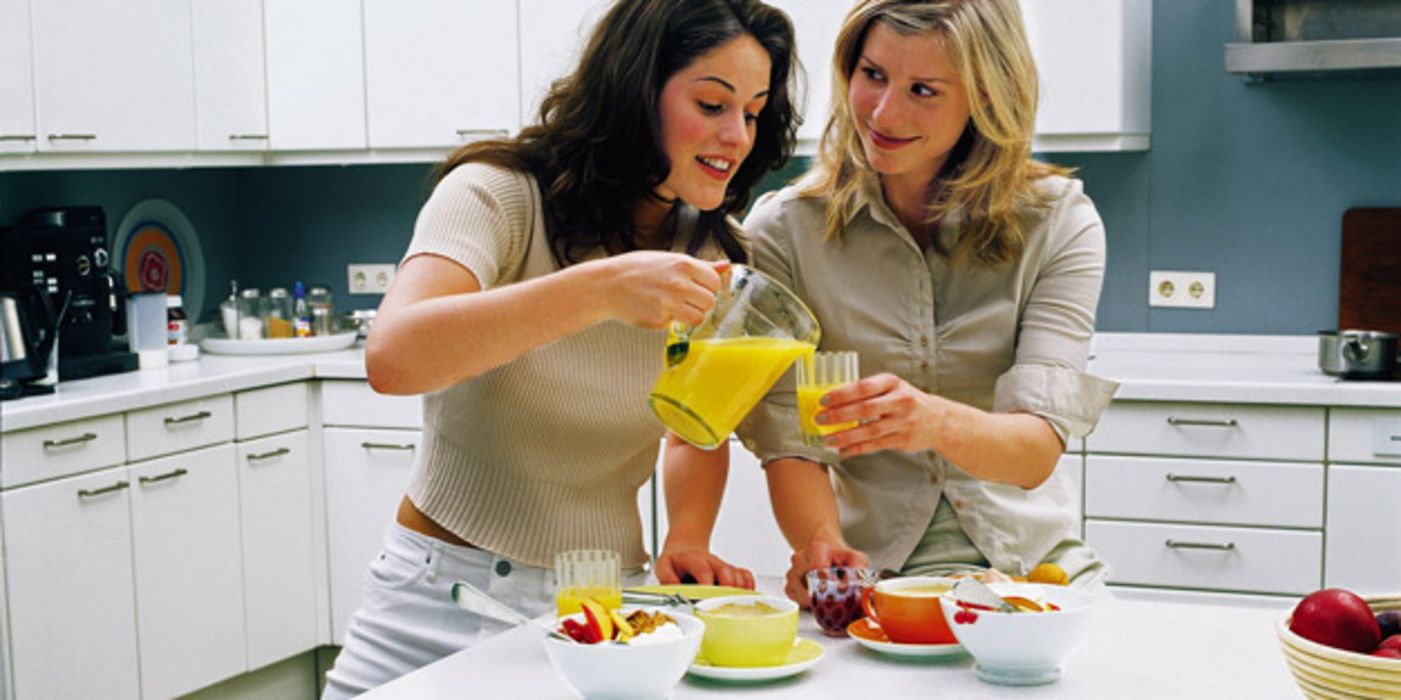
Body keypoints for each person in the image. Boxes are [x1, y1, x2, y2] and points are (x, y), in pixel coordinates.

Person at [322, 1, 798, 695]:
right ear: (635, 91)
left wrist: (687, 537)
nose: (736, 135)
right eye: (711, 103)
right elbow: (394, 357)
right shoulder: (497, 194)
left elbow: (695, 425)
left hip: (603, 605)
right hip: (437, 599)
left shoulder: (716, 250)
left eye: (752, 112)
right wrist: (599, 289)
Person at [734, 0, 1120, 607]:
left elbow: (1034, 452)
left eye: (924, 90)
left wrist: (932, 420)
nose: (885, 112)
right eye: (873, 75)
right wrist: (823, 546)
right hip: (877, 583)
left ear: (986, 96)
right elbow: (791, 439)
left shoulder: (1059, 222)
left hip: (1037, 577)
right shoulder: (784, 231)